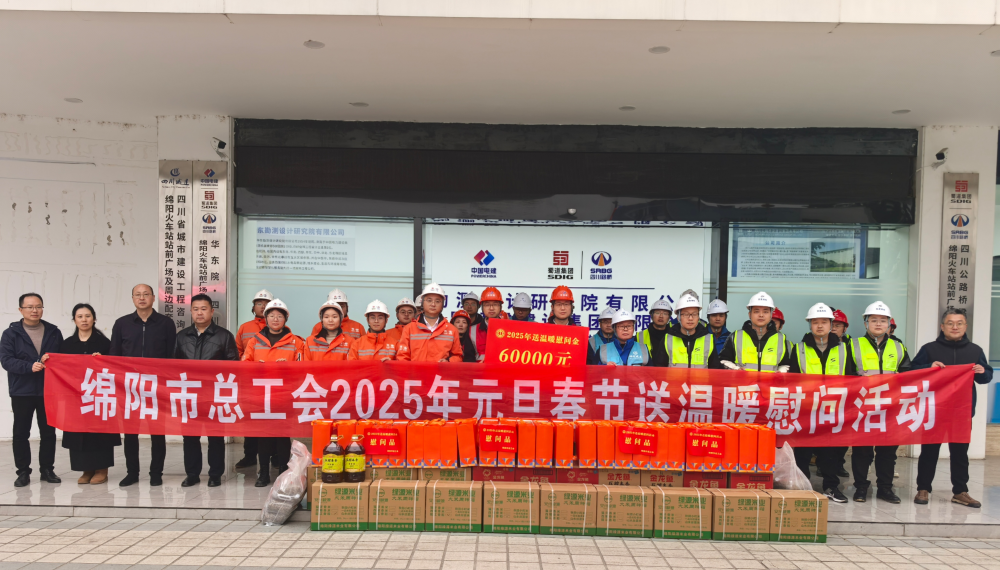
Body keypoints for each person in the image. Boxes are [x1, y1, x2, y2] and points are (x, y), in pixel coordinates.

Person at [911, 308, 993, 508]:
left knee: (960, 453)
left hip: (962, 412)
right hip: (934, 410)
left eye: (959, 323)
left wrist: (982, 371)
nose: (955, 327)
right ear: (942, 326)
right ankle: (923, 488)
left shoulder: (975, 351)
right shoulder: (929, 349)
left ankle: (960, 491)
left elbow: (986, 377)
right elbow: (911, 371)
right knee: (929, 451)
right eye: (950, 323)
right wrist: (928, 367)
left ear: (965, 326)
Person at [789, 302, 857, 504]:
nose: (820, 326)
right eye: (815, 322)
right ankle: (803, 487)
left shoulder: (844, 349)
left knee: (830, 452)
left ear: (831, 324)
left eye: (824, 322)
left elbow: (851, 378)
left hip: (832, 409)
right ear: (810, 324)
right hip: (806, 408)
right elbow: (792, 381)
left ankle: (831, 487)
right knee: (803, 451)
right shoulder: (799, 349)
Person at [110, 284, 175, 487]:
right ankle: (132, 473)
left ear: (153, 298)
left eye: (146, 294)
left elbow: (172, 356)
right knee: (131, 432)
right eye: (137, 295)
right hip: (129, 386)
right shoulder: (122, 324)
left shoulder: (166, 323)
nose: (142, 298)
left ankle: (156, 473)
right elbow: (114, 356)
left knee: (157, 432)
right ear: (132, 299)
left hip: (157, 386)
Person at [173, 294, 238, 488]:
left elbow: (234, 366)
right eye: (195, 309)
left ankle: (215, 474)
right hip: (189, 394)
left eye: (203, 309)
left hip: (214, 394)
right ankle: (192, 474)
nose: (199, 313)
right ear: (191, 311)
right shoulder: (182, 336)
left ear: (211, 311)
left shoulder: (224, 336)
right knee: (190, 437)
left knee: (215, 436)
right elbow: (173, 366)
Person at [849, 301, 910, 504]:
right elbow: (845, 375)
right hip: (862, 407)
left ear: (889, 324)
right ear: (865, 323)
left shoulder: (898, 347)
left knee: (887, 452)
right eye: (873, 320)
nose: (878, 324)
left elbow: (908, 375)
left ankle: (885, 488)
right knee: (862, 451)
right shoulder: (853, 345)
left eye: (883, 320)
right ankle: (860, 488)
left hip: (889, 408)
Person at [0, 293, 63, 487]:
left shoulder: (53, 331)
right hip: (22, 391)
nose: (34, 310)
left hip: (48, 390)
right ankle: (23, 472)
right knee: (21, 433)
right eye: (29, 307)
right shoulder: (11, 334)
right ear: (21, 310)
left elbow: (62, 357)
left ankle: (47, 470)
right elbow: (6, 360)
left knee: (48, 432)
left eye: (38, 306)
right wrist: (29, 366)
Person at [242, 298, 305, 486]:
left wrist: (289, 366)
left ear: (285, 319)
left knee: (282, 435)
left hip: (285, 394)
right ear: (265, 318)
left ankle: (283, 472)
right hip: (262, 395)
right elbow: (244, 365)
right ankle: (263, 473)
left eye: (279, 316)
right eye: (271, 316)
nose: (275, 319)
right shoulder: (255, 341)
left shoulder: (296, 342)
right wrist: (256, 366)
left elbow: (303, 366)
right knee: (264, 435)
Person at [59, 303, 119, 485]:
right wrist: (48, 360)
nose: (84, 320)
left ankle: (101, 469)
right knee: (79, 432)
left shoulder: (104, 343)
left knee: (99, 433)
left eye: (87, 316)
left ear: (94, 319)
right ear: (74, 320)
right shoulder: (66, 344)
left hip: (99, 395)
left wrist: (103, 361)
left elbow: (115, 366)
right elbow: (60, 366)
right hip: (75, 397)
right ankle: (86, 469)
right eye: (80, 316)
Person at [234, 289, 273, 468]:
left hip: (272, 383)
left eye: (266, 304)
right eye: (259, 303)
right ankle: (249, 456)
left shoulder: (278, 326)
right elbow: (237, 352)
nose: (262, 306)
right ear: (253, 307)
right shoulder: (245, 328)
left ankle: (275, 457)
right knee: (250, 420)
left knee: (273, 420)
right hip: (250, 383)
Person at [718, 292, 792, 373]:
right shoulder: (736, 336)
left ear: (771, 315)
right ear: (749, 314)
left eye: (765, 312)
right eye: (756, 311)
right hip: (743, 381)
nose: (761, 315)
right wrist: (736, 369)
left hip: (770, 381)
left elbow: (786, 364)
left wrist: (781, 372)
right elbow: (723, 360)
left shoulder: (780, 339)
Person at [396, 284, 463, 362]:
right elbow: (402, 357)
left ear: (443, 304)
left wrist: (448, 362)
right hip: (416, 370)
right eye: (429, 300)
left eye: (437, 301)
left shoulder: (452, 330)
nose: (433, 304)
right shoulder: (409, 329)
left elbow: (458, 356)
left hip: (440, 370)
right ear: (422, 303)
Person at [654, 291, 720, 369]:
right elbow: (659, 369)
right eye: (686, 314)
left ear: (698, 317)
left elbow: (715, 369)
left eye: (694, 314)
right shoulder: (668, 339)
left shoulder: (708, 339)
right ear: (678, 317)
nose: (690, 318)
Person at [470, 287, 505, 360]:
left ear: (501, 307)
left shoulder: (508, 328)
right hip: (479, 367)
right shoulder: (472, 330)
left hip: (502, 367)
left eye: (495, 304)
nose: (491, 308)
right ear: (482, 307)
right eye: (487, 305)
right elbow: (468, 357)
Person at [638, 298, 672, 363]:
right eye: (657, 313)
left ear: (669, 317)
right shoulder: (639, 336)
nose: (661, 316)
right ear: (651, 315)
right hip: (646, 369)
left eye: (665, 313)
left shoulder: (675, 335)